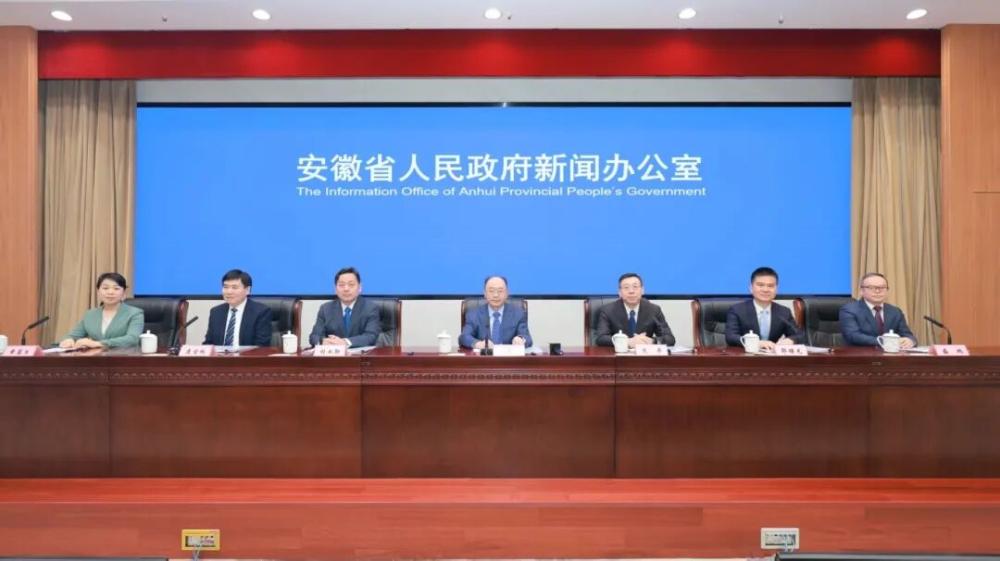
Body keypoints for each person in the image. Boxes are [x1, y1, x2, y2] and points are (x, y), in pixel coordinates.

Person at [725, 266, 805, 350]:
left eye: (770, 286)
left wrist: (791, 340)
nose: (765, 290)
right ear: (751, 288)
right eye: (760, 285)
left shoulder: (784, 312)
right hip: (745, 355)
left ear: (776, 289)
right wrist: (756, 343)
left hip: (772, 356)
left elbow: (800, 335)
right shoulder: (737, 310)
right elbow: (731, 337)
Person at [58, 272, 144, 349]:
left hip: (124, 358)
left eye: (116, 288)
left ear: (124, 294)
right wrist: (68, 340)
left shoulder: (135, 313)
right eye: (105, 288)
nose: (110, 292)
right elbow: (73, 335)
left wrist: (97, 344)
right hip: (95, 359)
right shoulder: (90, 314)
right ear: (98, 292)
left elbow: (132, 339)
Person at [594, 272, 675, 347]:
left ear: (642, 290)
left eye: (635, 287)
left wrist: (652, 341)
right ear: (620, 293)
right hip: (618, 355)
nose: (631, 291)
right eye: (626, 287)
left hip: (644, 355)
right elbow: (601, 338)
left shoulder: (654, 310)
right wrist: (627, 341)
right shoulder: (608, 310)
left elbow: (670, 339)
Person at [309, 267, 381, 348]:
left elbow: (371, 336)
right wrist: (323, 341)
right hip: (334, 355)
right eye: (341, 285)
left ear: (360, 288)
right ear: (335, 289)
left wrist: (345, 342)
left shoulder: (370, 308)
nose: (346, 289)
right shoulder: (325, 309)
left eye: (351, 284)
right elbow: (314, 336)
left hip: (360, 355)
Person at [840, 272, 917, 348]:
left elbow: (907, 334)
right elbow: (853, 336)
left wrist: (910, 341)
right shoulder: (850, 310)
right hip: (860, 354)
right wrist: (886, 341)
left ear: (887, 290)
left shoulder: (895, 311)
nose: (877, 291)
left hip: (890, 354)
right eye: (871, 288)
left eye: (882, 287)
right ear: (861, 291)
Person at [203, 269, 273, 347]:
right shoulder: (216, 312)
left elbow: (261, 345)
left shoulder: (261, 312)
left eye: (234, 287)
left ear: (247, 290)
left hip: (247, 355)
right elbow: (208, 343)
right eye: (225, 287)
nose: (229, 292)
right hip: (219, 355)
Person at [459, 275, 533, 349]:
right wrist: (478, 344)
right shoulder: (473, 314)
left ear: (507, 293)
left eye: (500, 291)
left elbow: (527, 338)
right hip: (484, 356)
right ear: (485, 293)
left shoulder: (518, 314)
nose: (496, 295)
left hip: (508, 356)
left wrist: (521, 339)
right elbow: (464, 337)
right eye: (491, 291)